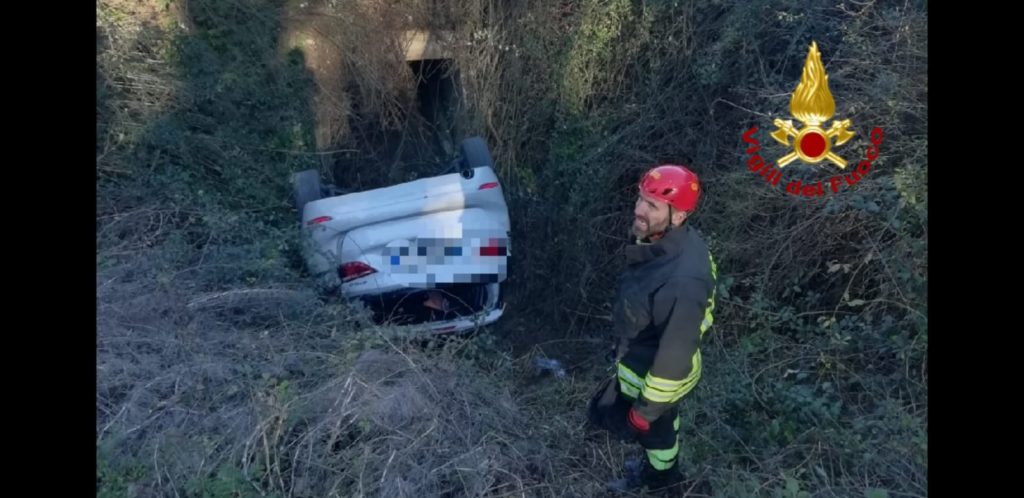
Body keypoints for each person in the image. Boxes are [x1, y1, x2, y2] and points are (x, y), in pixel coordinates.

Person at [588, 164, 718, 494]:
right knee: (659, 426)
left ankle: (663, 481)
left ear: (678, 216)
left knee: (655, 432)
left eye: (651, 205)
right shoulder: (661, 241)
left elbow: (674, 357)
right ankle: (660, 464)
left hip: (657, 378)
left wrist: (645, 411)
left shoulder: (684, 277)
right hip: (641, 358)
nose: (639, 210)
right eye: (640, 198)